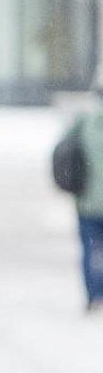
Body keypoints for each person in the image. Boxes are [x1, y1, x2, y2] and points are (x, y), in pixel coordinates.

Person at [60, 92, 103, 312]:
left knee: (89, 248)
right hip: (88, 200)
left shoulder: (85, 122)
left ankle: (93, 294)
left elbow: (64, 148)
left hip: (87, 201)